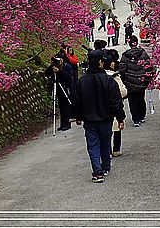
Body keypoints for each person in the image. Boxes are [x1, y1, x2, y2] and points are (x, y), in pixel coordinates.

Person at [74, 49, 126, 183]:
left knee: (92, 145)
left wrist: (78, 116)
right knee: (105, 142)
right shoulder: (109, 81)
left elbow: (77, 101)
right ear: (100, 62)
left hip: (89, 120)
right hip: (106, 119)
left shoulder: (82, 82)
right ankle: (106, 166)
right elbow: (116, 102)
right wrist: (120, 118)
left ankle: (97, 172)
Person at [118, 35, 154, 127]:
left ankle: (136, 119)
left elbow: (122, 69)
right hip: (141, 81)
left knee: (132, 101)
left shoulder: (126, 55)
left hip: (130, 82)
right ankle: (142, 116)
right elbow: (149, 67)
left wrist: (123, 79)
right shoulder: (143, 53)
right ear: (137, 43)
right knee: (141, 99)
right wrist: (148, 79)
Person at [104, 49, 128, 157]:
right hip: (115, 105)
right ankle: (116, 149)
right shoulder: (114, 77)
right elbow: (123, 92)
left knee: (106, 131)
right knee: (117, 128)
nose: (114, 63)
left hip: (103, 108)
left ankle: (107, 150)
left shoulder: (101, 76)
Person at [44, 56, 74, 131]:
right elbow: (46, 74)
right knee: (61, 106)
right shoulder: (54, 66)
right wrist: (51, 66)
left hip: (66, 88)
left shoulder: (67, 66)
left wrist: (59, 71)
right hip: (58, 88)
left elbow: (68, 77)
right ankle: (62, 124)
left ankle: (67, 124)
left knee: (66, 106)